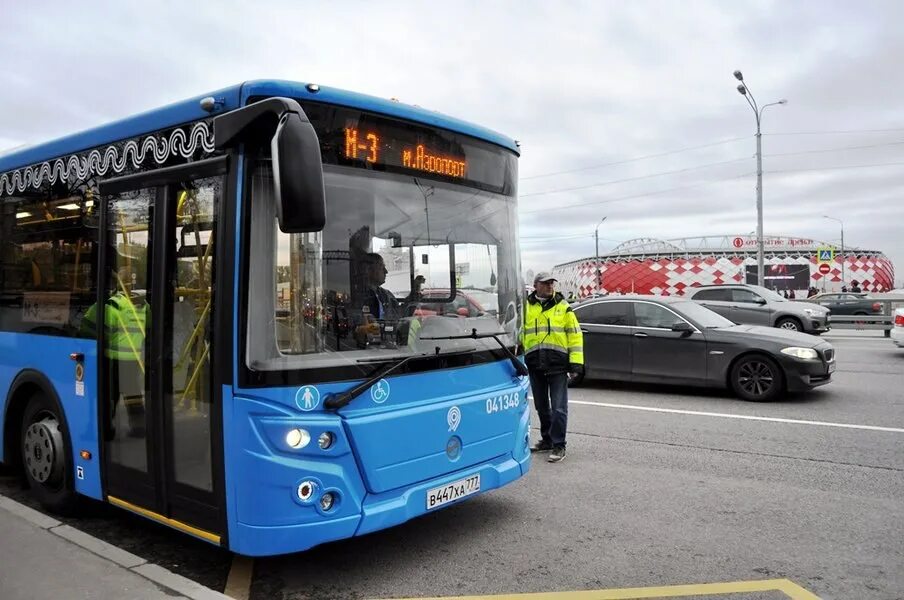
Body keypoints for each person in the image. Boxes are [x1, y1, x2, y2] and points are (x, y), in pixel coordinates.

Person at [521, 272, 583, 463]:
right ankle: (547, 440)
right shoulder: (525, 307)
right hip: (534, 363)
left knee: (558, 408)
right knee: (541, 407)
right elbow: (518, 333)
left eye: (551, 283)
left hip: (557, 364)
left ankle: (559, 445)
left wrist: (576, 363)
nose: (549, 286)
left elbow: (575, 335)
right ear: (536, 285)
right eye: (545, 283)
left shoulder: (563, 307)